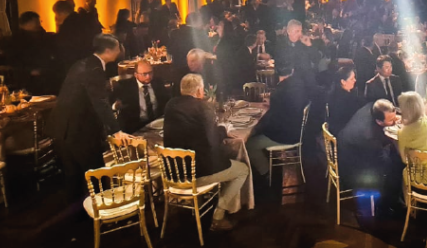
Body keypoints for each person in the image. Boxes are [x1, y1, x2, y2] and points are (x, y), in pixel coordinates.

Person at [47, 34, 133, 200]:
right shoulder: (94, 69)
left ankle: (80, 212)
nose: (120, 50)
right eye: (118, 47)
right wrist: (116, 130)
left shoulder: (82, 63)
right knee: (95, 174)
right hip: (78, 130)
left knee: (73, 176)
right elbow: (99, 101)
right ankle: (103, 208)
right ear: (108, 50)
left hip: (61, 127)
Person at [162, 73, 249, 232]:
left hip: (173, 173)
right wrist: (223, 130)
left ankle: (204, 202)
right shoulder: (203, 107)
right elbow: (212, 142)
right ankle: (219, 216)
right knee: (242, 170)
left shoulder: (170, 104)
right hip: (197, 174)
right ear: (199, 91)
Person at [245, 65, 309, 178]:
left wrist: (256, 128)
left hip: (286, 136)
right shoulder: (299, 84)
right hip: (298, 131)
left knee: (249, 144)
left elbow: (273, 122)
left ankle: (265, 173)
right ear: (292, 70)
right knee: (255, 132)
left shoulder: (280, 91)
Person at [336, 98, 399, 200]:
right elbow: (383, 160)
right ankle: (390, 201)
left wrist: (392, 120)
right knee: (395, 165)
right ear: (379, 122)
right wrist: (392, 144)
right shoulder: (370, 137)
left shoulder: (371, 107)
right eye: (391, 120)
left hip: (345, 145)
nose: (395, 120)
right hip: (352, 169)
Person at [113, 60, 172, 132]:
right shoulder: (125, 86)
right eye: (144, 74)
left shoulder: (157, 82)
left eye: (150, 73)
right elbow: (115, 105)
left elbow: (166, 100)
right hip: (135, 126)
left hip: (156, 122)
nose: (148, 76)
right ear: (136, 74)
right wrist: (116, 106)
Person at [326, 63, 365, 135]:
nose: (355, 80)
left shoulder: (350, 92)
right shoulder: (341, 99)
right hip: (344, 132)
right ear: (343, 82)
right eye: (352, 79)